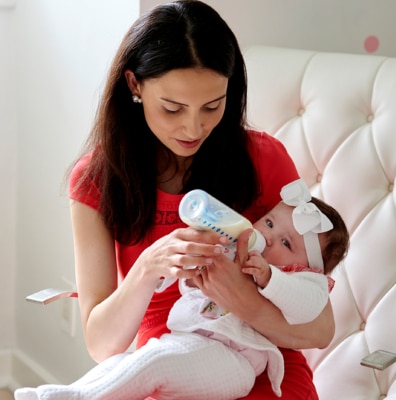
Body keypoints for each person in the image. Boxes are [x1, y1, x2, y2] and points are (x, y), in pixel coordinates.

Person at [38, 1, 337, 399]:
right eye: (173, 108)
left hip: (262, 358)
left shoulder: (264, 159)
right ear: (134, 86)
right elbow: (102, 345)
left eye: (212, 106)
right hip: (170, 361)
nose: (194, 127)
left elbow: (320, 329)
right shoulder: (97, 180)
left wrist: (239, 296)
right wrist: (148, 266)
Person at [14, 180, 349, 400]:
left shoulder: (299, 280)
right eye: (270, 224)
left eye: (286, 243)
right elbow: (182, 281)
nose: (270, 239)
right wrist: (179, 265)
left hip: (235, 362)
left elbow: (308, 309)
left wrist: (268, 279)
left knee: (155, 363)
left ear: (308, 267)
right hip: (187, 339)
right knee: (130, 363)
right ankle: (66, 393)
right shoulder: (238, 249)